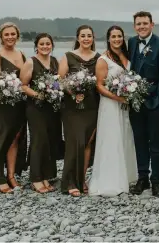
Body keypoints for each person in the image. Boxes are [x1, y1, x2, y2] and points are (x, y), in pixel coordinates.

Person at [127, 11, 159, 197]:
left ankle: (156, 181)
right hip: (134, 101)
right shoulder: (131, 43)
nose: (142, 27)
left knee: (155, 142)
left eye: (145, 23)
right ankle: (142, 177)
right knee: (139, 140)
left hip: (154, 101)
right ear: (134, 26)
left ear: (152, 24)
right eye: (138, 24)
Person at [88, 26, 137, 196]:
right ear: (108, 39)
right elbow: (99, 85)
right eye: (113, 36)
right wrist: (118, 98)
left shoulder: (127, 56)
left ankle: (127, 176)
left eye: (119, 36)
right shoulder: (103, 59)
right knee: (111, 139)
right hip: (110, 105)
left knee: (125, 137)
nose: (117, 39)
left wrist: (131, 94)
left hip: (125, 105)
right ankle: (110, 181)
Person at [0, 22, 28, 193]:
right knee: (2, 138)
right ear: (1, 37)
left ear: (17, 35)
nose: (10, 37)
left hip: (20, 104)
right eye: (7, 34)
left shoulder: (22, 54)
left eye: (13, 34)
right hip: (3, 105)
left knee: (16, 137)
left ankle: (11, 175)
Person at [59, 25, 101, 197]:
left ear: (93, 38)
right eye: (82, 35)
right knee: (75, 142)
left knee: (87, 143)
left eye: (89, 36)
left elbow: (102, 79)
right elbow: (60, 81)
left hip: (92, 106)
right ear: (77, 38)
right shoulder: (68, 57)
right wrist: (73, 92)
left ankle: (82, 179)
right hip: (72, 107)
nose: (86, 38)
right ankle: (69, 181)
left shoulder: (99, 58)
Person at [20, 33, 60, 193]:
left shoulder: (55, 61)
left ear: (52, 45)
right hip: (36, 108)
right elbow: (23, 85)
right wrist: (39, 95)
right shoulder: (31, 62)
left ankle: (46, 176)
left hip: (52, 108)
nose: (45, 46)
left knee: (50, 140)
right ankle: (36, 178)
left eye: (48, 44)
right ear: (36, 46)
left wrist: (55, 92)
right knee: (39, 140)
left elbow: (59, 82)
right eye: (42, 44)